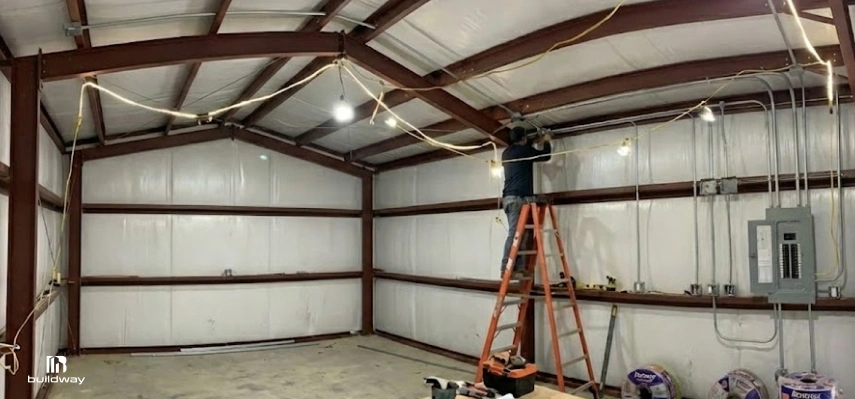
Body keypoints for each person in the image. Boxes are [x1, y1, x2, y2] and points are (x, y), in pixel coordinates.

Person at [499, 126, 552, 278]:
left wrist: (537, 139)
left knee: (522, 233)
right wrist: (546, 141)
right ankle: (506, 268)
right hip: (519, 199)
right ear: (523, 138)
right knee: (515, 234)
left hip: (510, 199)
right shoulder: (524, 151)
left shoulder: (507, 152)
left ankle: (519, 268)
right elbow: (546, 156)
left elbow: (526, 147)